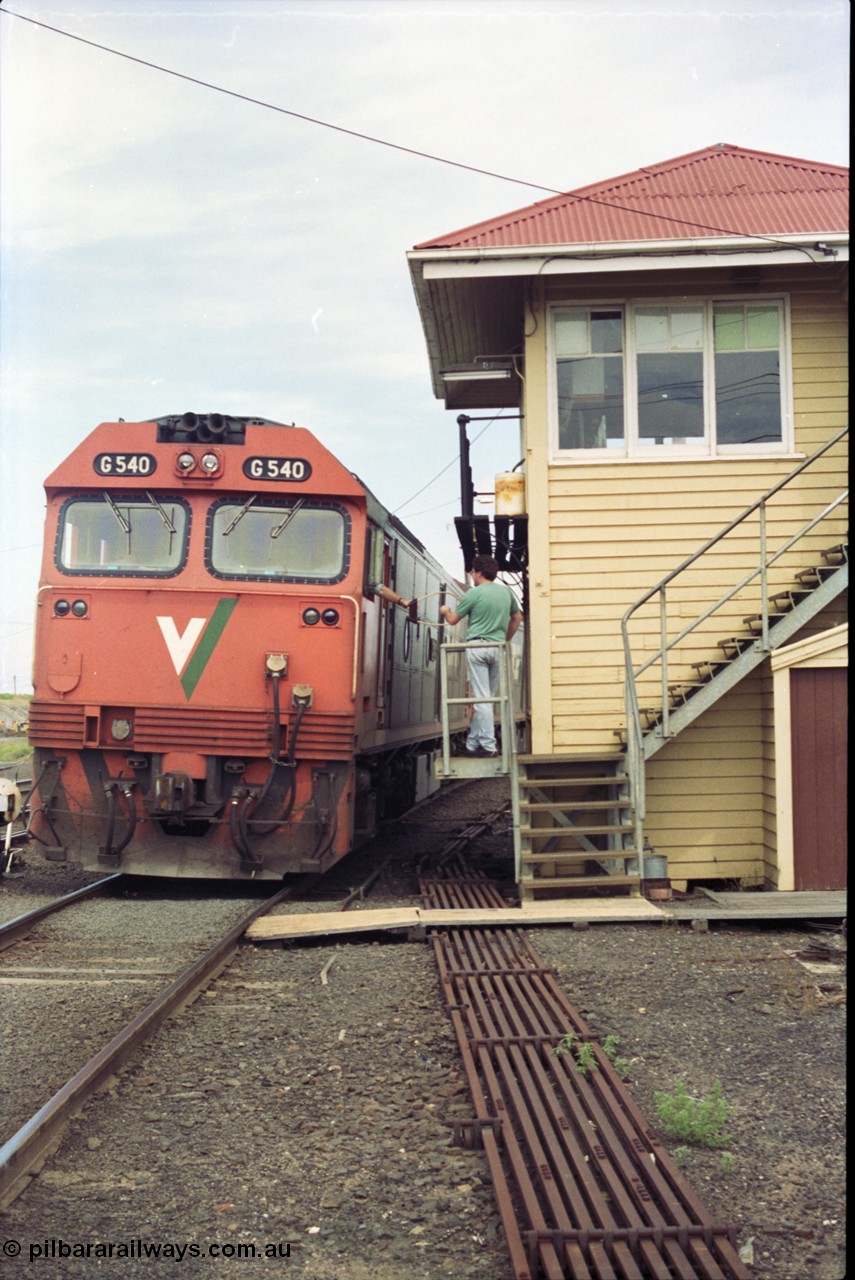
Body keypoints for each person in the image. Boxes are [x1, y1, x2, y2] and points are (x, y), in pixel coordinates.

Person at [439, 555, 521, 757]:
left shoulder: (473, 593)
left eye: (473, 571)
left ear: (479, 572)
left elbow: (452, 620)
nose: (472, 575)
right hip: (497, 647)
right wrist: (505, 640)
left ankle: (488, 746)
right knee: (487, 697)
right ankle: (472, 744)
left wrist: (445, 610)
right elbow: (516, 618)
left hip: (477, 647)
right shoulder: (506, 592)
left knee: (482, 699)